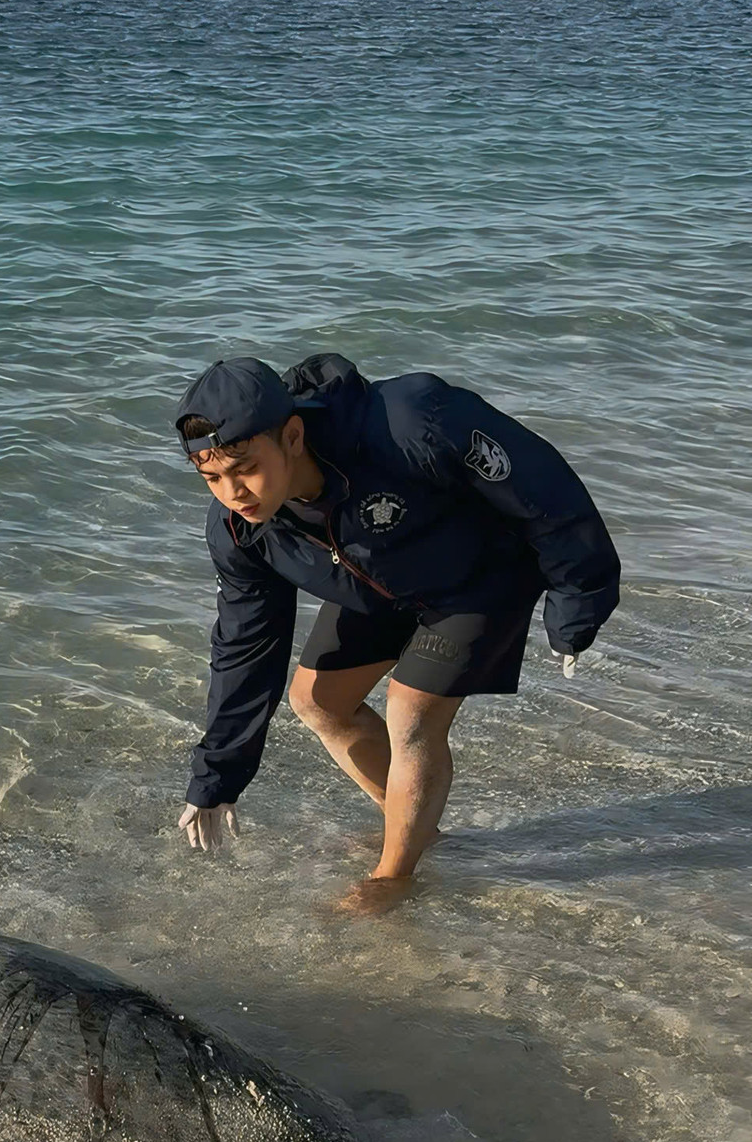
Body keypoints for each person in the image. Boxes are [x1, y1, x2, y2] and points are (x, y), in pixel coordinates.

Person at [174, 353, 620, 909]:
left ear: (292, 435)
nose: (233, 492)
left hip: (480, 581)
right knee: (317, 701)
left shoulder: (410, 421)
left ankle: (394, 878)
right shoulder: (240, 530)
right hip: (379, 588)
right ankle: (415, 827)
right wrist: (217, 776)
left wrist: (580, 594)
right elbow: (245, 646)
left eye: (244, 469)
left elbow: (541, 483)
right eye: (213, 477)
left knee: (411, 713)